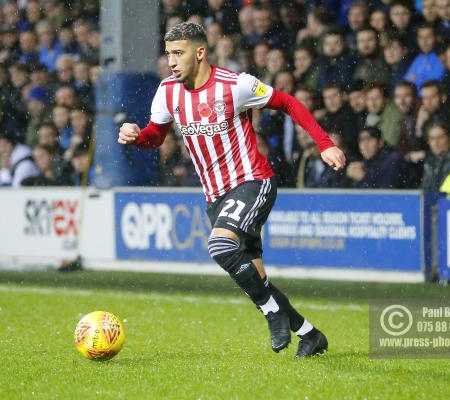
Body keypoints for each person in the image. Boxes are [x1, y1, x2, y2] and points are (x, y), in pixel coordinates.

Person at [118, 22, 345, 358]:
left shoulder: (235, 85)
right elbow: (156, 135)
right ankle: (310, 335)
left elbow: (288, 103)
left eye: (178, 53)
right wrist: (138, 137)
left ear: (200, 52)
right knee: (257, 277)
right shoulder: (167, 91)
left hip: (253, 181)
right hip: (216, 196)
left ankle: (272, 314)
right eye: (168, 54)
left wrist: (324, 144)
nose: (172, 61)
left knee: (220, 246)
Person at [421, 121, 450, 191]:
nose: (436, 142)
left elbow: (442, 191)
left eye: (440, 137)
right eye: (432, 138)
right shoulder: (429, 161)